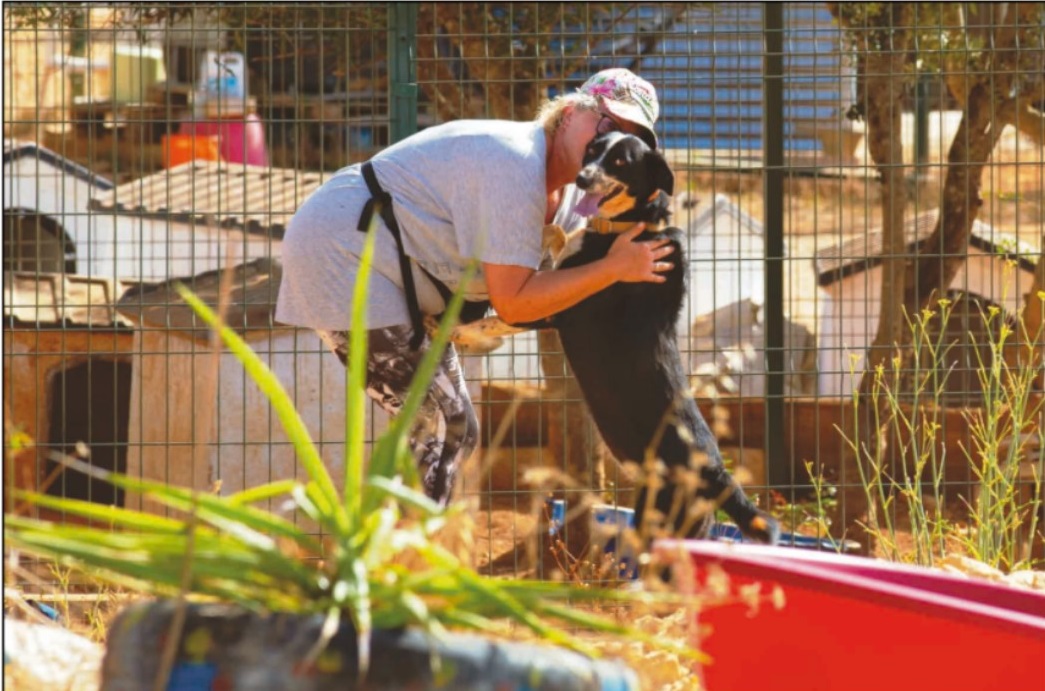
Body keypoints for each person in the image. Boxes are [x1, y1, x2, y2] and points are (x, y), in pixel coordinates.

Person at [276, 68, 671, 504]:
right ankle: (407, 562)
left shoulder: (573, 203)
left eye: (628, 137)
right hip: (341, 249)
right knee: (446, 426)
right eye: (608, 124)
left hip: (393, 269)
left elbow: (555, 291)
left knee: (441, 429)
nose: (611, 141)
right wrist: (613, 269)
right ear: (571, 112)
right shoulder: (515, 163)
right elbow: (516, 302)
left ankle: (388, 552)